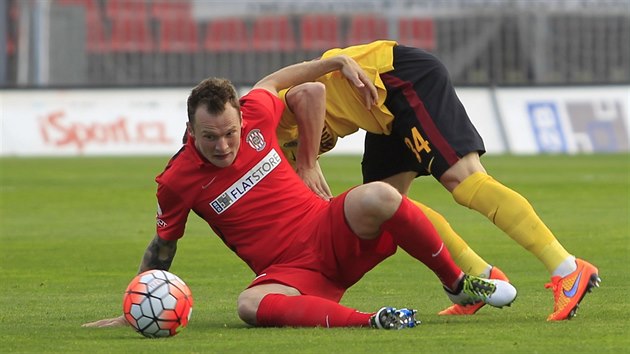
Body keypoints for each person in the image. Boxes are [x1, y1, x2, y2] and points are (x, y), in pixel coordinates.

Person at [82, 55, 518, 331]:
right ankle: (374, 321)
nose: (223, 146)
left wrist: (336, 67)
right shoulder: (177, 181)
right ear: (189, 131)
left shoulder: (255, 113)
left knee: (380, 196)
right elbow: (162, 247)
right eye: (209, 137)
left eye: (230, 133)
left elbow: (300, 88)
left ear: (240, 117)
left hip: (330, 231)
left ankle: (457, 284)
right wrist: (134, 305)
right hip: (291, 275)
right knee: (249, 306)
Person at [276, 40, 600, 321]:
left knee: (465, 180)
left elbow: (310, 92)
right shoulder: (260, 157)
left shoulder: (259, 122)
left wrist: (306, 163)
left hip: (397, 78)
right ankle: (479, 279)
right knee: (388, 206)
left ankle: (567, 268)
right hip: (377, 113)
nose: (222, 146)